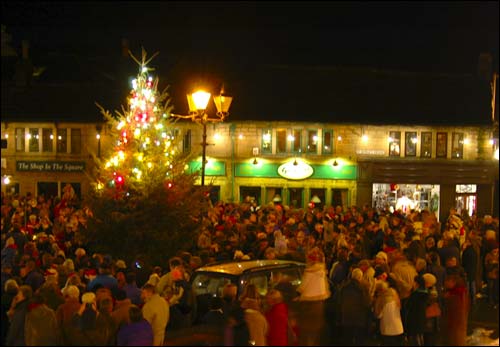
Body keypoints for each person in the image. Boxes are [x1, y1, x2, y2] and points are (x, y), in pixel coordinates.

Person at [295, 246, 331, 346]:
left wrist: (297, 294)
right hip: (319, 305)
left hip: (308, 306)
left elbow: (303, 287)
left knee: (307, 334)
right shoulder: (322, 271)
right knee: (315, 334)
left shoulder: (309, 272)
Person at [373, 280, 404, 346]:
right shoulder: (395, 296)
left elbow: (378, 315)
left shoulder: (381, 300)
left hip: (387, 331)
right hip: (399, 329)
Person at [443, 272, 469, 346]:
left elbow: (456, 309)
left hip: (456, 322)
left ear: (453, 282)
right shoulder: (459, 291)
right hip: (458, 321)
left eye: (447, 282)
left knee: (456, 338)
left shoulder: (456, 293)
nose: (445, 283)